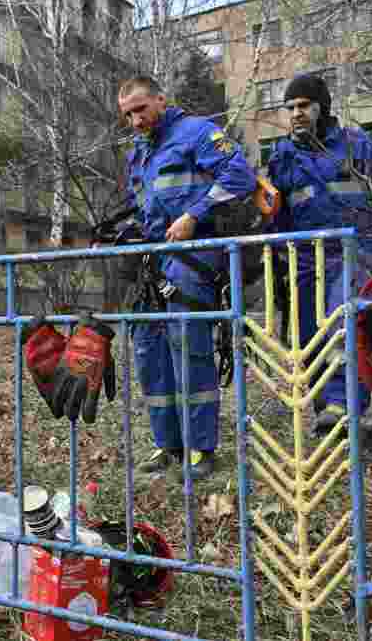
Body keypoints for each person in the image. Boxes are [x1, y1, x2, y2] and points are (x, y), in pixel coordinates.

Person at [118, 75, 257, 480]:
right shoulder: (139, 153)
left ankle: (200, 449)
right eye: (128, 115)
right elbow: (143, 208)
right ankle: (168, 445)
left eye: (141, 109)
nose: (136, 121)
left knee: (188, 347)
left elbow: (240, 177)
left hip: (193, 258)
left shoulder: (197, 133)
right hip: (153, 260)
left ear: (161, 99)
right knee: (148, 350)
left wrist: (194, 215)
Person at [266, 73, 372, 437]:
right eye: (290, 108)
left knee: (342, 324)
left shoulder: (357, 145)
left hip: (358, 251)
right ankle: (327, 408)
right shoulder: (283, 156)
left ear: (322, 106)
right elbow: (280, 214)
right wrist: (277, 258)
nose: (296, 114)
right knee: (309, 335)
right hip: (306, 258)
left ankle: (343, 404)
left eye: (303, 105)